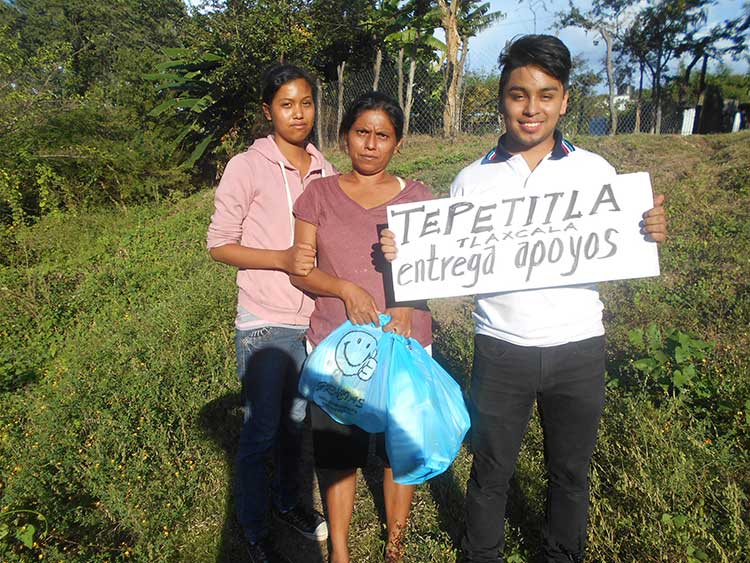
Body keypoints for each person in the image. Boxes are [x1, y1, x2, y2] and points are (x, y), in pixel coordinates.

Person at [380, 35, 667, 563]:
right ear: (502, 99)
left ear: (563, 99)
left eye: (545, 94)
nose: (531, 108)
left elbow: (625, 235)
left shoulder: (597, 174)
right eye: (518, 94)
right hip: (500, 349)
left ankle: (562, 555)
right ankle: (480, 555)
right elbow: (446, 254)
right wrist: (408, 250)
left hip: (579, 347)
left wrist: (647, 227)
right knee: (490, 469)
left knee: (570, 473)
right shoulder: (472, 180)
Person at [289, 91, 433, 563]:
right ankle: (342, 552)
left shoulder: (420, 199)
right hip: (336, 341)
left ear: (398, 143)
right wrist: (345, 290)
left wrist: (409, 304)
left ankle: (395, 547)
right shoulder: (318, 196)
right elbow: (300, 268)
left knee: (400, 448)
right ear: (345, 136)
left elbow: (438, 265)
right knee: (338, 450)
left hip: (404, 343)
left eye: (383, 136)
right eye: (361, 133)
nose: (370, 144)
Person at [206, 63, 335, 563]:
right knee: (261, 428)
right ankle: (255, 528)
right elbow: (220, 245)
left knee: (297, 424)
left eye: (306, 102)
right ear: (268, 111)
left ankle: (288, 504)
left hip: (312, 321)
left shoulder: (325, 167)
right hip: (264, 321)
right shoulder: (247, 166)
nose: (298, 113)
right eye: (286, 104)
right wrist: (280, 258)